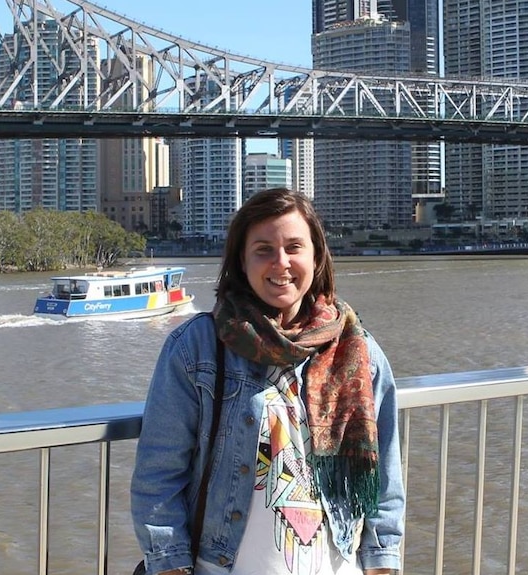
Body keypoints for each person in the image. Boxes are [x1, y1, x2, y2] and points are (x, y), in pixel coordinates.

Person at [131, 188, 405, 575]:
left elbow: (384, 477)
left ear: (316, 256)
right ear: (241, 261)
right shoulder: (199, 346)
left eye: (294, 247)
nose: (281, 263)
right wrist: (171, 564)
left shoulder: (358, 350)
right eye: (263, 249)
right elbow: (158, 475)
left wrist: (382, 562)